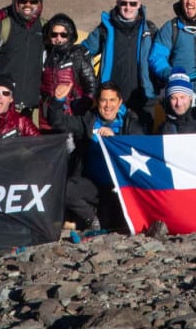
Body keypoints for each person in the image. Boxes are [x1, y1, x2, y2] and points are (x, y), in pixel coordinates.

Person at [48, 81, 145, 230]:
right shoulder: (89, 121)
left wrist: (115, 140)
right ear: (97, 102)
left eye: (112, 100)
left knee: (120, 226)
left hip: (121, 188)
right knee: (65, 189)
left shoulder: (131, 123)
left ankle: (95, 220)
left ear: (120, 102)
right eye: (103, 100)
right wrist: (57, 101)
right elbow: (58, 122)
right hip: (93, 185)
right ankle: (91, 219)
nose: (107, 105)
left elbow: (141, 150)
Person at [82, 0, 158, 125]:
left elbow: (160, 58)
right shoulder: (105, 28)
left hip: (143, 99)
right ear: (117, 4)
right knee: (111, 141)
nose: (128, 7)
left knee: (141, 143)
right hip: (111, 101)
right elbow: (83, 52)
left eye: (132, 3)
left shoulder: (150, 30)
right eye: (124, 3)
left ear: (139, 5)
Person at [0, 0, 55, 113]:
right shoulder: (5, 26)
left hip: (33, 106)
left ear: (39, 3)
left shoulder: (45, 28)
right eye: (23, 1)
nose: (28, 5)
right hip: (5, 104)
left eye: (33, 1)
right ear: (16, 2)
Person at [39, 13, 96, 129]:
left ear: (70, 35)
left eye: (63, 34)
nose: (58, 38)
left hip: (71, 115)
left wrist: (83, 105)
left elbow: (91, 85)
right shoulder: (43, 54)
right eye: (54, 34)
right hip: (47, 115)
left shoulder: (78, 55)